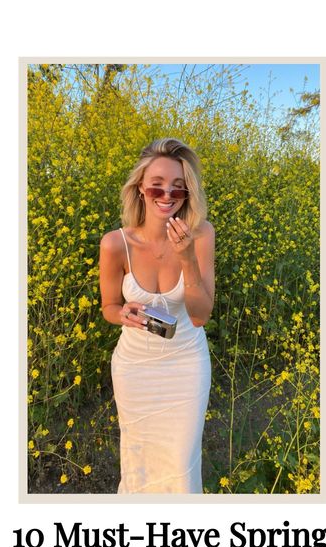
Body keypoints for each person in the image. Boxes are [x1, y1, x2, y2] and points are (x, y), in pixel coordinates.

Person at [99, 138, 215, 493]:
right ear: (140, 189)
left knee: (180, 466)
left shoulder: (201, 234)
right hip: (135, 368)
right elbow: (108, 307)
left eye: (178, 189)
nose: (167, 196)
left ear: (187, 195)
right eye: (157, 186)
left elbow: (200, 316)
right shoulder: (115, 244)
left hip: (185, 364)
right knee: (138, 465)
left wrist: (186, 258)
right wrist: (123, 314)